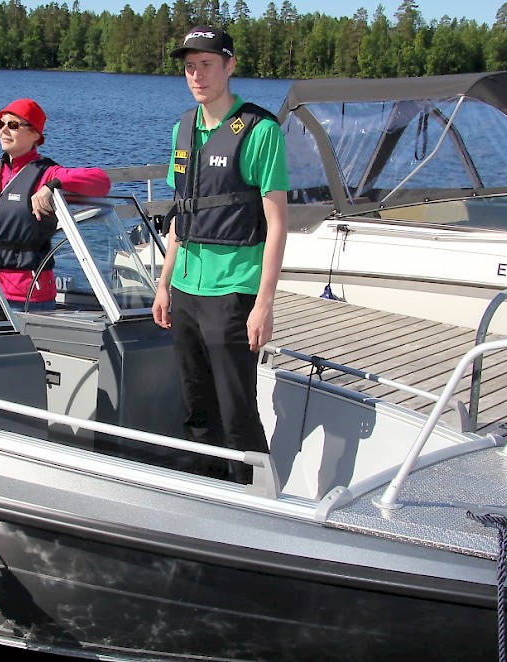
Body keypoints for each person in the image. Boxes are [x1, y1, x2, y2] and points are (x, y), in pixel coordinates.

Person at [152, 26, 290, 483]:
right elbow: (181, 214)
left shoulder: (260, 131)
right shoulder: (182, 129)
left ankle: (259, 506)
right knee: (197, 411)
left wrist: (264, 304)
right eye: (190, 66)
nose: (197, 75)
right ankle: (205, 497)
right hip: (186, 290)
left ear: (230, 65)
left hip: (233, 290)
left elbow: (277, 224)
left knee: (237, 415)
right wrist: (164, 282)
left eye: (207, 64)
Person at [0, 98, 111, 312]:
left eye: (13, 125)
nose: (4, 130)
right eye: (1, 124)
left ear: (34, 134)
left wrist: (54, 185)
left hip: (27, 296)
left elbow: (101, 181)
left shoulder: (47, 172)